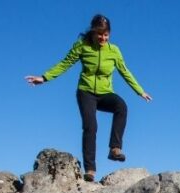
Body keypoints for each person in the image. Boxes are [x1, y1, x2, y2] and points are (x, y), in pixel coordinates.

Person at [25, 14, 152, 182]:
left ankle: (115, 148)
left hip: (105, 93)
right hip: (86, 93)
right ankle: (90, 169)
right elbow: (65, 63)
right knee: (90, 127)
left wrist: (139, 91)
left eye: (106, 34)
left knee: (121, 106)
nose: (103, 38)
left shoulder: (114, 51)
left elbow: (125, 71)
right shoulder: (82, 46)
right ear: (93, 32)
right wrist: (45, 77)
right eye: (100, 34)